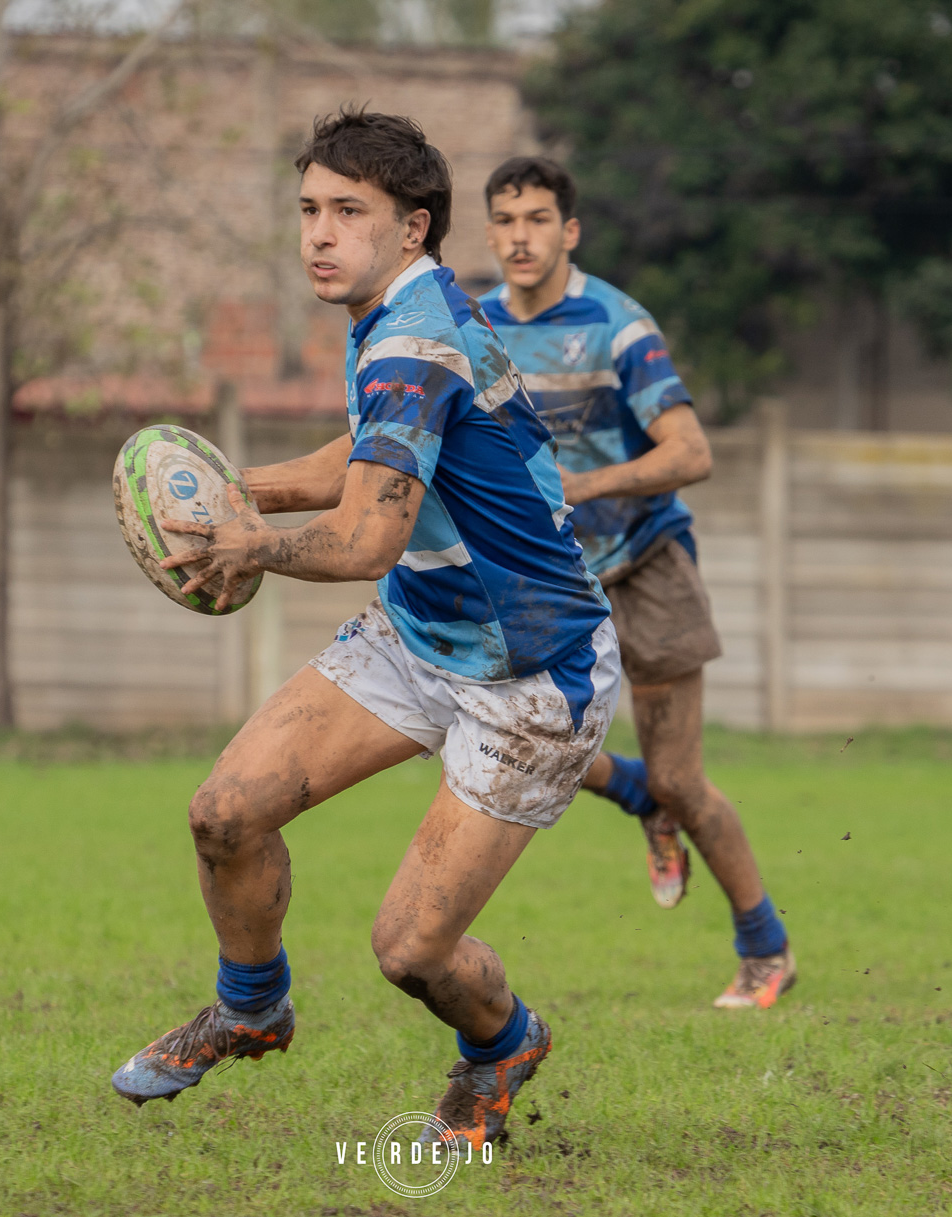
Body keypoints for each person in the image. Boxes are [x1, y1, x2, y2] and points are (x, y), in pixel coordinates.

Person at [111, 113, 620, 1147]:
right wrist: (231, 490)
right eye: (308, 211)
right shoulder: (401, 312)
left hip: (535, 674)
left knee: (410, 951)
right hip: (424, 633)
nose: (319, 235)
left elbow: (365, 536)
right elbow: (370, 447)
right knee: (226, 812)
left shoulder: (414, 335)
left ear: (413, 227)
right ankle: (252, 1006)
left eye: (350, 212)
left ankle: (504, 1043)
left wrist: (251, 542)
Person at [477, 156, 796, 1010]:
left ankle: (766, 947)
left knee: (684, 782)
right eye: (505, 220)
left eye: (538, 219)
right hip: (546, 576)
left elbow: (692, 452)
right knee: (509, 735)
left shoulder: (618, 324)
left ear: (568, 231)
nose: (520, 236)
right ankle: (636, 798)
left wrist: (583, 485)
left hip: (646, 563)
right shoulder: (471, 328)